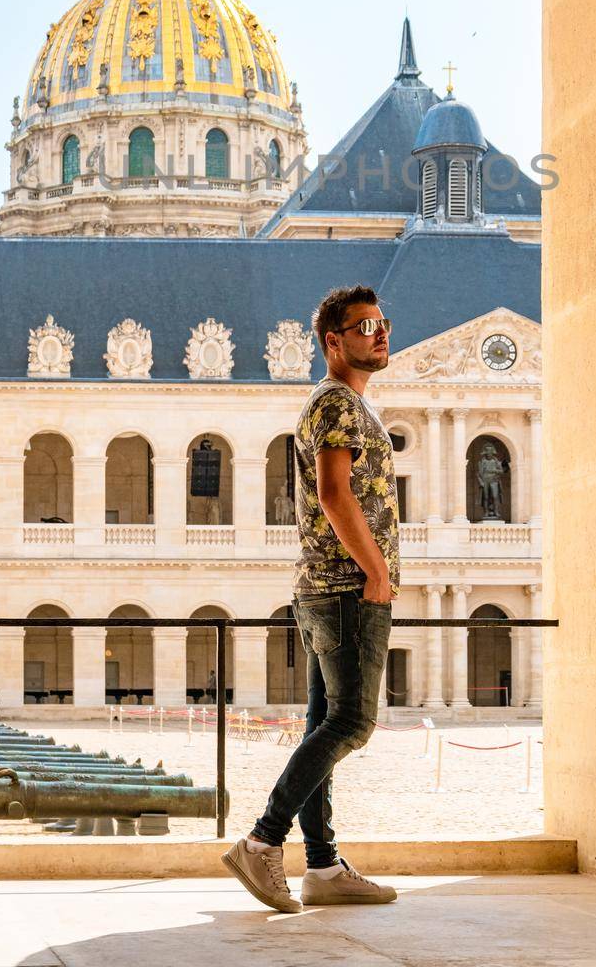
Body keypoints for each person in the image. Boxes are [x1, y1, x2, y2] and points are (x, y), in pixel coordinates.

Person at [223, 285, 400, 912]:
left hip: (327, 586)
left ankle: (322, 865)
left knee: (324, 724)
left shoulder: (347, 404)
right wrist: (375, 571)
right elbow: (333, 493)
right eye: (363, 326)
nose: (379, 333)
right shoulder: (336, 403)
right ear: (333, 341)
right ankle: (262, 841)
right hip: (346, 587)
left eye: (382, 322)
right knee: (352, 723)